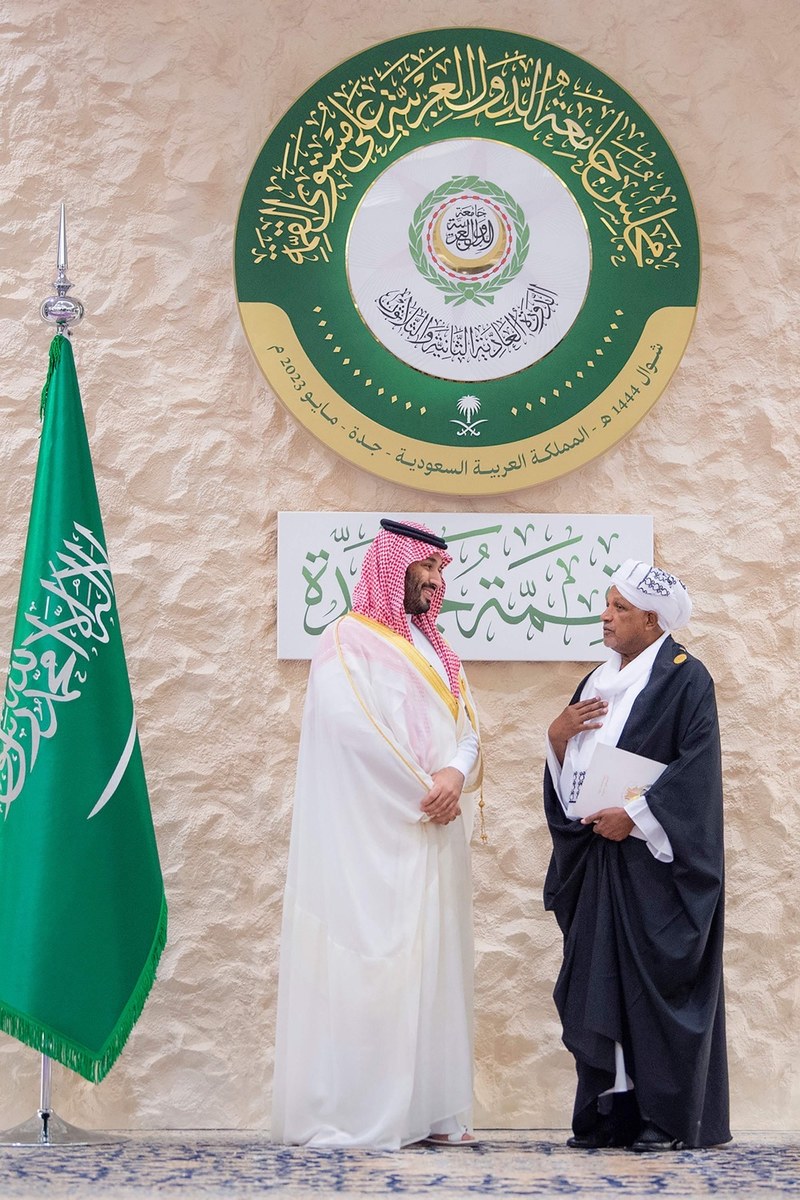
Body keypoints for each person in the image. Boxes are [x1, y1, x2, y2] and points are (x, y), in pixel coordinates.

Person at [272, 518, 483, 1149]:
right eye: (429, 568)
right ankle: (363, 1113)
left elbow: (467, 725)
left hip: (434, 835)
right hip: (374, 836)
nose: (437, 581)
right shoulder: (347, 640)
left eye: (443, 571)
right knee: (373, 970)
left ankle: (430, 1112)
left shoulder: (437, 649)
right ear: (397, 567)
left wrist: (455, 772)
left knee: (435, 967)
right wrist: (427, 789)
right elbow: (350, 729)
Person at [543, 560, 730, 1152]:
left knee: (656, 992)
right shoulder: (595, 682)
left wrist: (638, 817)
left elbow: (696, 773)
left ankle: (666, 1120)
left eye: (619, 608)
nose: (606, 616)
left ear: (651, 621)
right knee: (598, 985)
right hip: (599, 864)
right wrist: (555, 735)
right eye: (607, 605)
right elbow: (571, 767)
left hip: (654, 868)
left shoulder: (685, 679)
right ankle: (610, 1116)